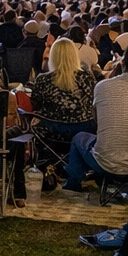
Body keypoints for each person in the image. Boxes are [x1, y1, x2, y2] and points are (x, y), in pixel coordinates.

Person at [64, 42, 128, 191]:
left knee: (79, 138)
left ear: (123, 63)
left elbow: (98, 121)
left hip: (105, 164)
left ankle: (73, 183)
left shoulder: (102, 87)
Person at [29, 38, 102, 190]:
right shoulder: (87, 76)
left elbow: (36, 104)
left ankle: (46, 165)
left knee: (33, 125)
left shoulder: (43, 79)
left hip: (53, 130)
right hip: (84, 127)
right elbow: (93, 101)